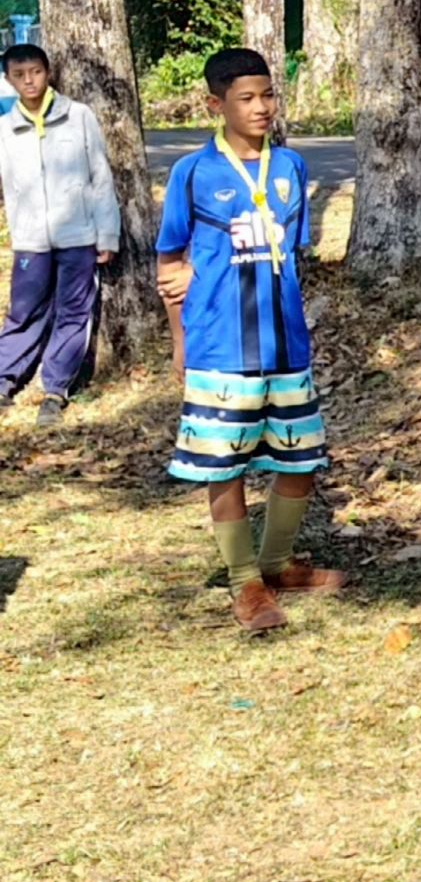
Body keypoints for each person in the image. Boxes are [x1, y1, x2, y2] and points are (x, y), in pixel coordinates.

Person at [155, 48, 339, 633]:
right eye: (246, 98)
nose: (261, 108)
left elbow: (290, 252)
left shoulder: (289, 167)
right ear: (217, 104)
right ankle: (245, 585)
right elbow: (168, 263)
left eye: (268, 96)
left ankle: (278, 564)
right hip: (219, 346)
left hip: (285, 344)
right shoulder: (193, 173)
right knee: (223, 467)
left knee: (301, 459)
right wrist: (180, 344)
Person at [0, 44, 119, 427]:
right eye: (19, 75)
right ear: (8, 80)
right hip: (31, 240)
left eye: (34, 71)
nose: (29, 81)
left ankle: (55, 389)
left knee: (73, 313)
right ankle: (5, 381)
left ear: (48, 72)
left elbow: (100, 177)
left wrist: (108, 235)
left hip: (79, 235)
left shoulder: (78, 116)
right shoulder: (5, 129)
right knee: (23, 312)